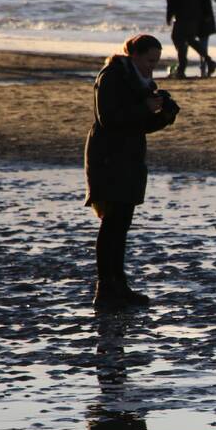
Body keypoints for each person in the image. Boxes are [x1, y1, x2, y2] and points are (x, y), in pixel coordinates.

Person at [84, 34, 180, 309]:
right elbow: (108, 118)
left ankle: (118, 284)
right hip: (107, 157)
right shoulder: (112, 76)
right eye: (150, 61)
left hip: (129, 157)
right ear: (134, 55)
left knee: (122, 222)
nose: (153, 67)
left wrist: (163, 116)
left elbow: (140, 125)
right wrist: (145, 107)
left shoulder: (140, 82)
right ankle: (106, 287)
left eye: (157, 62)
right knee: (112, 222)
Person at [164, 0, 208, 79]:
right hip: (194, 13)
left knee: (178, 38)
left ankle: (182, 67)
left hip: (182, 14)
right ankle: (186, 66)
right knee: (188, 39)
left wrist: (169, 15)